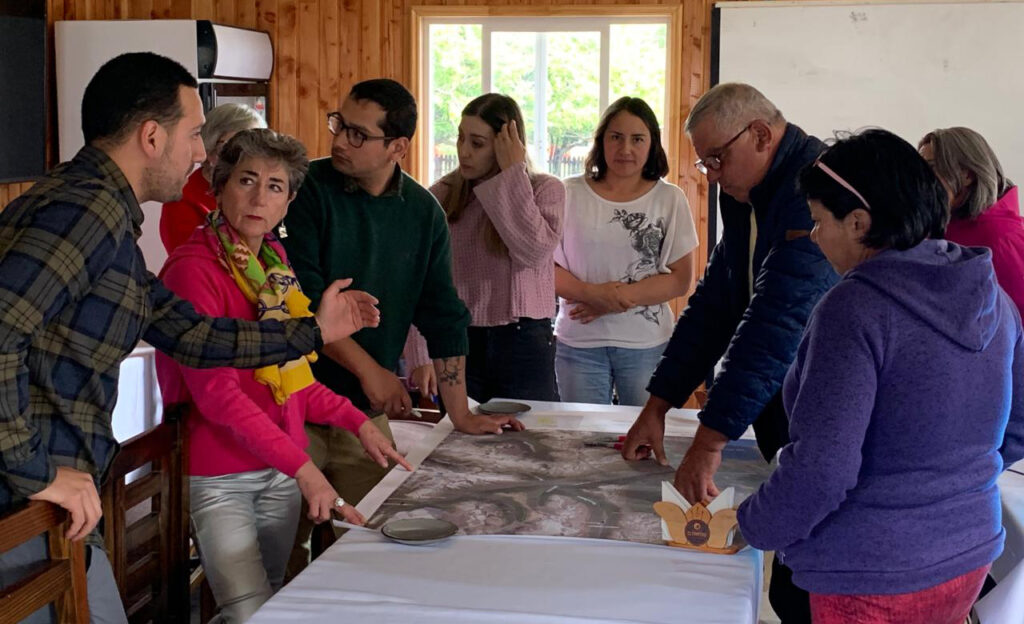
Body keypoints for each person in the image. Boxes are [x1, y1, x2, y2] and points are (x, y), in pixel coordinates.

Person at [0, 52, 378, 624]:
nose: (202, 153)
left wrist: (314, 332)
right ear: (152, 136)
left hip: (56, 497)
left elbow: (192, 334)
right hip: (24, 499)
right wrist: (38, 471)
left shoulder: (105, 216)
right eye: (195, 134)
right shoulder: (83, 212)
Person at [737, 128, 1024, 624]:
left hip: (872, 572)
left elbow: (822, 470)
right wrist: (948, 483)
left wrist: (753, 523)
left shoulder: (855, 308)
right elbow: (1017, 422)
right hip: (968, 553)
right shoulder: (991, 296)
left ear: (858, 222)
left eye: (818, 220)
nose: (813, 234)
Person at [154, 128, 412, 623]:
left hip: (279, 466)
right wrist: (305, 469)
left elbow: (293, 381)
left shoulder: (273, 265)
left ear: (290, 200)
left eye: (275, 186)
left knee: (273, 598)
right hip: (220, 474)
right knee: (250, 610)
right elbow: (219, 398)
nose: (258, 197)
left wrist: (355, 422)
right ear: (220, 185)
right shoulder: (193, 269)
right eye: (246, 180)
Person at [282, 78, 524, 575]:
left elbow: (443, 313)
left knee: (377, 548)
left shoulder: (422, 211)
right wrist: (372, 369)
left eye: (356, 134)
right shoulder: (306, 189)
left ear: (398, 147)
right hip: (289, 404)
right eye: (338, 125)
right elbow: (300, 305)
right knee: (281, 558)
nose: (338, 141)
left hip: (362, 418)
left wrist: (460, 413)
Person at [619, 83, 838, 623]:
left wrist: (710, 439)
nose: (710, 174)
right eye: (704, 162)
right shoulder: (744, 189)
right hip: (781, 401)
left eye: (716, 158)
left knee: (809, 579)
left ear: (761, 135)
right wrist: (658, 405)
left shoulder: (814, 189)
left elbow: (774, 326)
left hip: (823, 404)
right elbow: (718, 299)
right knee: (789, 574)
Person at [403, 93, 564, 403]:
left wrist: (511, 173)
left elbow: (532, 252)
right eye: (461, 139)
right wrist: (419, 352)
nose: (464, 152)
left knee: (532, 443)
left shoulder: (545, 189)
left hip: (525, 339)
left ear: (506, 145)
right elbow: (417, 278)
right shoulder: (443, 195)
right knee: (460, 443)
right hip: (459, 339)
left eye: (477, 143)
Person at [553, 97, 698, 406]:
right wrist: (592, 294)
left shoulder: (670, 198)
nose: (625, 149)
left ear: (652, 144)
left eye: (637, 139)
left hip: (646, 345)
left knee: (644, 442)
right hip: (579, 343)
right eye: (616, 137)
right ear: (601, 140)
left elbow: (679, 280)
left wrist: (610, 302)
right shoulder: (566, 193)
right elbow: (544, 270)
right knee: (582, 443)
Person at [918, 127, 1024, 315]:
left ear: (967, 175)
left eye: (932, 168)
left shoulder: (1002, 240)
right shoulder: (938, 226)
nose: (921, 180)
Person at [159, 103, 266, 254]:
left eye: (254, 148)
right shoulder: (181, 201)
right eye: (234, 148)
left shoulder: (262, 193)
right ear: (209, 150)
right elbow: (194, 266)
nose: (245, 158)